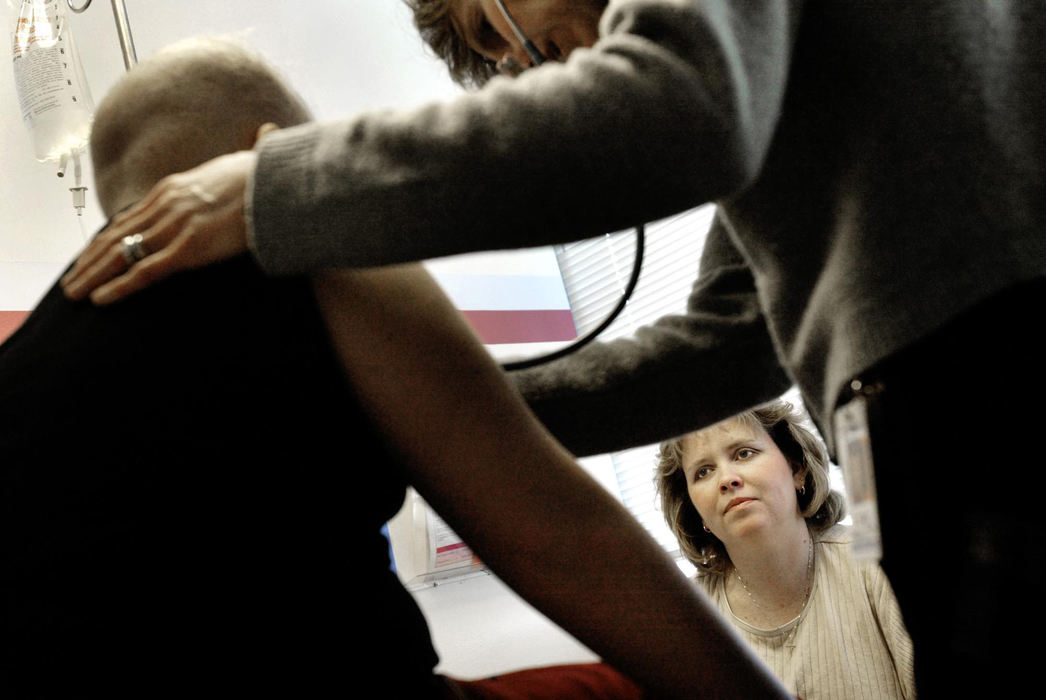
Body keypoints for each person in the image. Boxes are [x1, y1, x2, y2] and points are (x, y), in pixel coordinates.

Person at [58, 1, 1046, 695]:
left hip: (984, 381)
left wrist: (275, 189)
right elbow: (726, 345)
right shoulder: (805, 81)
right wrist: (448, 418)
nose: (533, 64)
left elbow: (677, 108)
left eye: (501, 30)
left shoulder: (713, 82)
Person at [1, 35, 791, 699]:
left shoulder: (34, 361)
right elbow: (562, 541)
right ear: (265, 147)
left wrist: (441, 417)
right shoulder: (317, 253)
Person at [655, 400, 915, 699]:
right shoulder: (688, 617)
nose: (726, 479)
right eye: (703, 471)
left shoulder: (875, 562)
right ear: (698, 515)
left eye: (744, 453)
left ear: (796, 469)